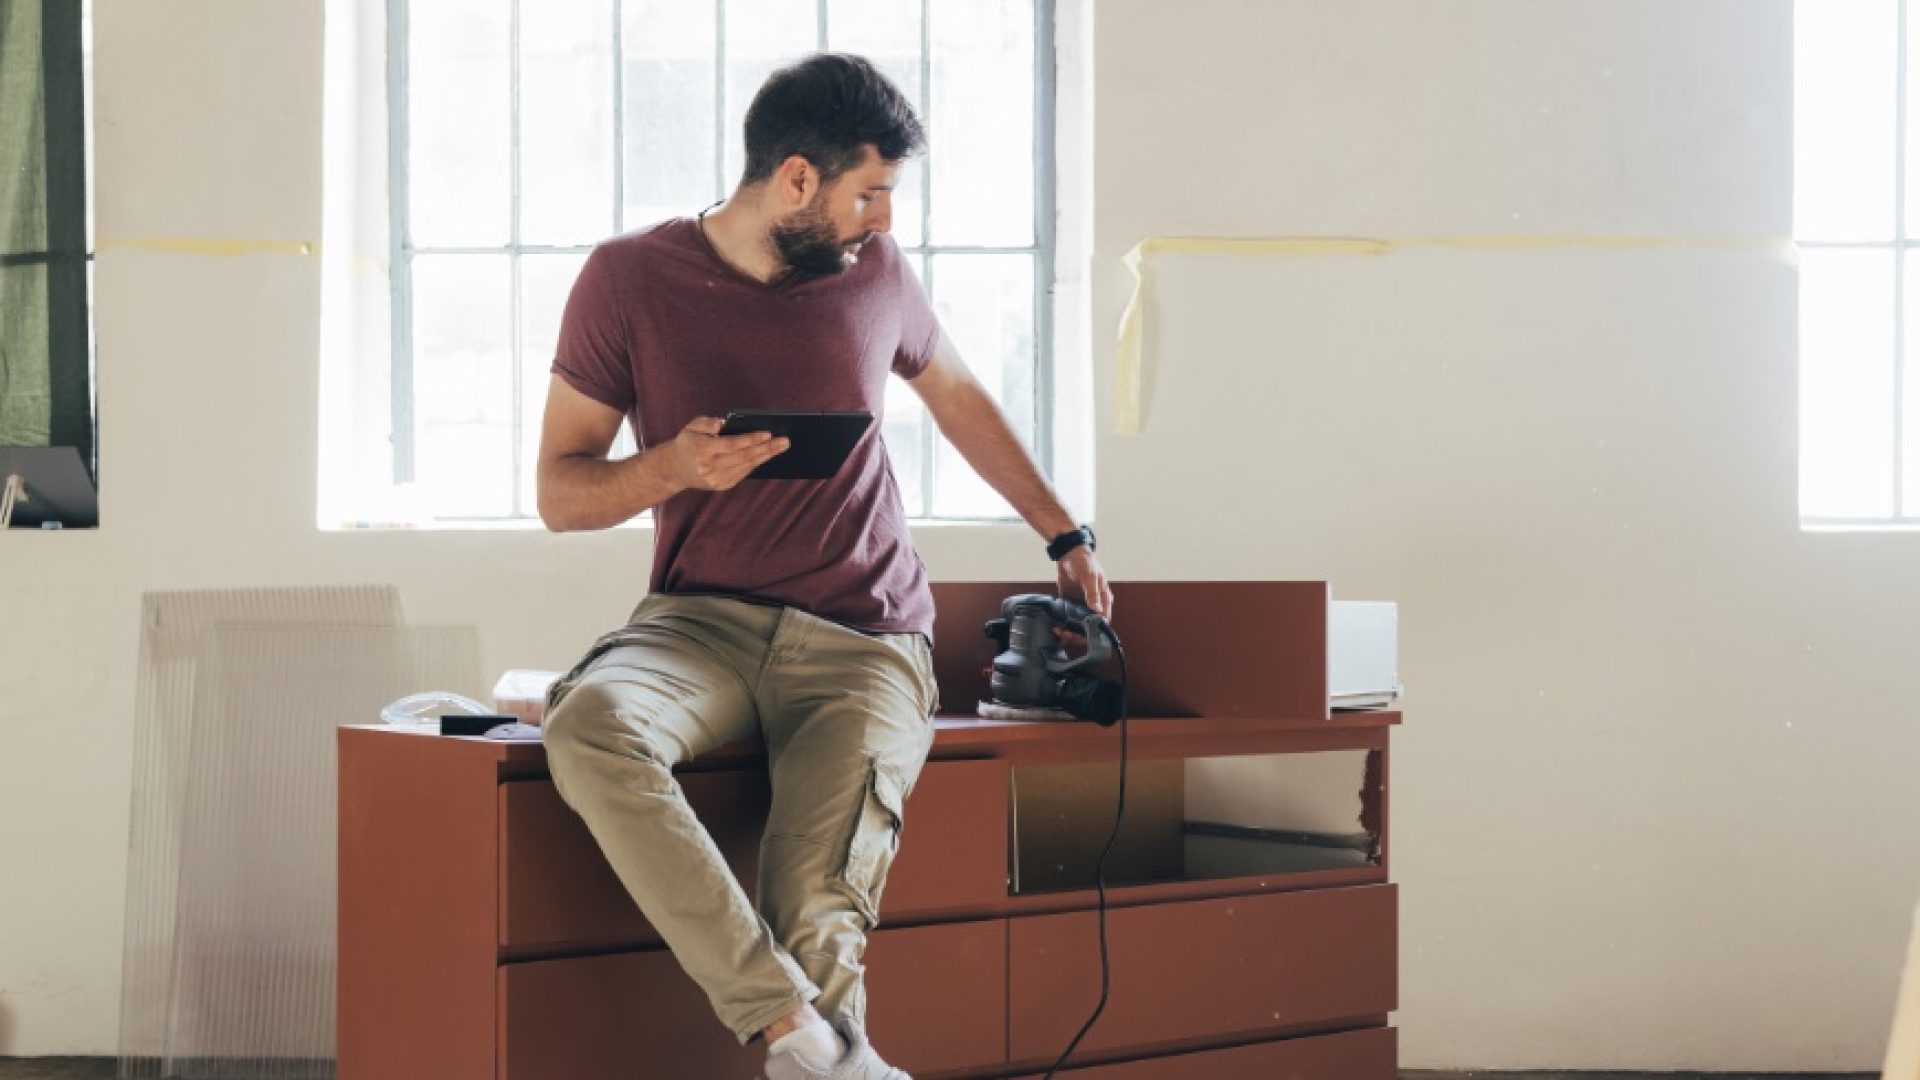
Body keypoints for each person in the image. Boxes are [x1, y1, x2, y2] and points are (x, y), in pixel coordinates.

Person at [534, 52, 1111, 1080]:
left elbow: (962, 399)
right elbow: (560, 494)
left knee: (816, 899)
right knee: (591, 725)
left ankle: (806, 1040)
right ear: (796, 180)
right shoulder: (627, 279)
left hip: (864, 637)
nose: (883, 220)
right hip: (695, 627)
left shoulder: (877, 274)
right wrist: (673, 467)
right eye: (869, 193)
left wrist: (1064, 533)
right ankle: (797, 1031)